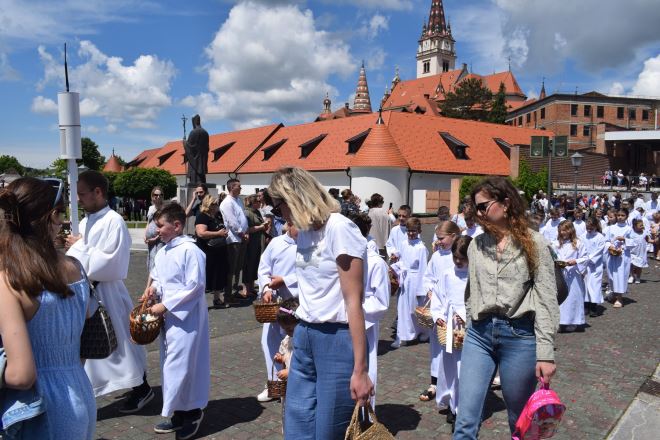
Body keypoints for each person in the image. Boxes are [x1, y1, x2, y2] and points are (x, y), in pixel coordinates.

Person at [267, 167, 372, 439]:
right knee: (297, 427)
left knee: (329, 431)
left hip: (336, 339)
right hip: (305, 333)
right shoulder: (304, 233)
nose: (280, 214)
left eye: (279, 206)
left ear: (295, 198)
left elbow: (353, 302)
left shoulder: (340, 228)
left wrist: (361, 370)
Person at [453, 176, 559, 439]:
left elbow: (546, 299)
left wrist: (545, 353)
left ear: (506, 203)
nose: (478, 213)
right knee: (465, 420)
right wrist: (470, 322)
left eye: (483, 206)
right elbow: (471, 292)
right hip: (479, 336)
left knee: (520, 421)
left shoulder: (534, 243)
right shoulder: (476, 245)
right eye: (475, 208)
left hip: (520, 337)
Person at [0, 177, 96, 439]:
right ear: (52, 216)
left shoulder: (10, 280)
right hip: (79, 389)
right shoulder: (75, 267)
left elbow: (21, 375)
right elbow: (85, 337)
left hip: (38, 408)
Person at [65, 170, 152, 412]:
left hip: (108, 293)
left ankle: (141, 388)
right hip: (87, 293)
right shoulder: (84, 221)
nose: (79, 199)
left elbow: (114, 264)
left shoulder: (114, 221)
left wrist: (79, 247)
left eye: (82, 194)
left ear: (98, 192)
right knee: (94, 349)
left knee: (121, 345)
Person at [144, 203, 209, 440]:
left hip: (187, 317)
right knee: (170, 364)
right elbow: (160, 278)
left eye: (161, 226)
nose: (157, 230)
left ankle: (193, 412)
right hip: (169, 317)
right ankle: (178, 412)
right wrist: (153, 289)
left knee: (184, 364)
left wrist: (166, 305)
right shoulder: (163, 251)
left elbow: (195, 285)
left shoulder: (191, 251)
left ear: (177, 225)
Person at [430, 235, 472, 427]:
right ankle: (450, 401)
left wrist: (464, 316)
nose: (458, 261)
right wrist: (438, 314)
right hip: (448, 327)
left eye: (462, 258)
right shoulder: (447, 274)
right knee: (449, 368)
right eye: (455, 257)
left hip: (467, 328)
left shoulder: (474, 276)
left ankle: (460, 409)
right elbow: (438, 296)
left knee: (463, 370)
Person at [256, 221, 299, 403]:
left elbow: (312, 272)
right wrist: (266, 288)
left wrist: (285, 280)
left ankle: (292, 386)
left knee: (293, 344)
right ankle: (274, 385)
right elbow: (264, 269)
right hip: (275, 303)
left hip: (296, 304)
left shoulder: (310, 245)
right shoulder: (276, 243)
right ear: (289, 224)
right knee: (270, 343)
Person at [351, 212, 390, 407]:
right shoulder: (345, 257)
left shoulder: (376, 262)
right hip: (341, 319)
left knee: (365, 364)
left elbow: (382, 301)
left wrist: (356, 310)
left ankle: (365, 411)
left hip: (365, 320)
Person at [421, 221, 460, 404]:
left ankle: (454, 388)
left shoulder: (459, 255)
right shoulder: (437, 256)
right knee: (437, 347)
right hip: (438, 307)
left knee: (454, 349)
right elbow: (428, 277)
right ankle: (434, 383)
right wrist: (430, 289)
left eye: (441, 238)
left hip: (455, 309)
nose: (438, 241)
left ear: (453, 236)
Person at [390, 217, 428, 349]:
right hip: (404, 279)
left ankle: (423, 331)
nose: (411, 233)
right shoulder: (404, 243)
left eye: (414, 231)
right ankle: (401, 336)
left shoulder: (421, 248)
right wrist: (395, 256)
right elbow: (401, 255)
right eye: (409, 231)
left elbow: (423, 269)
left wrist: (421, 290)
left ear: (419, 231)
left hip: (415, 281)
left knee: (414, 310)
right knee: (402, 309)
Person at [553, 221, 587, 333]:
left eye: (565, 230)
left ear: (570, 230)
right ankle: (560, 321)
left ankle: (573, 321)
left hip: (573, 275)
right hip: (560, 273)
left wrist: (576, 261)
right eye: (561, 230)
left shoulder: (578, 243)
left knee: (572, 297)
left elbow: (585, 257)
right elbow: (553, 255)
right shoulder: (556, 243)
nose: (562, 233)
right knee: (560, 296)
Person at [195, 195, 229, 308]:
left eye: (216, 204)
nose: (216, 206)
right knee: (206, 276)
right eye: (213, 204)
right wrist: (218, 233)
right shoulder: (202, 216)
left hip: (219, 250)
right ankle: (199, 302)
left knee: (218, 274)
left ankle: (217, 299)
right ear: (208, 204)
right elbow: (201, 233)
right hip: (207, 251)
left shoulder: (217, 216)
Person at [273, 297, 300, 432]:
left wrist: (290, 372)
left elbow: (306, 364)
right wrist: (282, 358)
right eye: (284, 329)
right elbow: (289, 355)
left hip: (299, 386)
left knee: (297, 413)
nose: (287, 332)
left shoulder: (302, 341)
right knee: (288, 411)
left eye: (290, 329)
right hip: (288, 388)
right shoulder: (288, 339)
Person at [220, 179, 249, 301]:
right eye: (239, 186)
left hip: (242, 237)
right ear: (232, 188)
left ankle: (235, 290)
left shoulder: (238, 200)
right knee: (232, 267)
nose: (241, 188)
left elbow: (242, 217)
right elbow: (232, 221)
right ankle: (228, 294)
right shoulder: (227, 202)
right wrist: (241, 233)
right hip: (233, 238)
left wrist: (246, 231)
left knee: (238, 267)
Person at [604, 208, 634, 308]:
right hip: (612, 255)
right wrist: (610, 246)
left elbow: (634, 242)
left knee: (620, 276)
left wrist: (625, 239)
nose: (620, 217)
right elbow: (606, 240)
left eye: (623, 215)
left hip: (623, 256)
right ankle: (614, 292)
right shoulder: (611, 228)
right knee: (611, 276)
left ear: (627, 217)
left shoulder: (629, 229)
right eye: (618, 215)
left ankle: (619, 298)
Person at [243, 194, 270, 295]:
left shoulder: (257, 212)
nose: (260, 203)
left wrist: (265, 226)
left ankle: (251, 287)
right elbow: (247, 229)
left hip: (259, 241)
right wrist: (261, 227)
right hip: (251, 242)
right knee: (249, 263)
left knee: (255, 263)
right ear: (253, 203)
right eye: (258, 201)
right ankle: (246, 288)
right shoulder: (246, 213)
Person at [583, 217, 606, 317]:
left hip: (595, 266)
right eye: (587, 227)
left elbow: (599, 251)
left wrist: (589, 258)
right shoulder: (583, 236)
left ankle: (593, 307)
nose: (589, 229)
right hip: (585, 265)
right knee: (585, 286)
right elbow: (580, 248)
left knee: (594, 286)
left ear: (596, 226)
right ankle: (586, 305)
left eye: (591, 227)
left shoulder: (600, 237)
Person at [184, 114, 209, 185]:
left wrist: (184, 142)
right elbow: (207, 147)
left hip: (194, 159)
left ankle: (194, 182)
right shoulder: (205, 133)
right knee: (202, 176)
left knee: (194, 176)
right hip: (203, 158)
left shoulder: (193, 132)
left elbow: (189, 147)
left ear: (194, 122)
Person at [145, 186, 165, 273]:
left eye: (160, 195)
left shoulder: (164, 209)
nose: (158, 196)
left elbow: (164, 226)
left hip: (160, 240)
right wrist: (145, 235)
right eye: (156, 195)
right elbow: (148, 223)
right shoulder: (151, 208)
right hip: (150, 241)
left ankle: (153, 280)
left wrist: (155, 238)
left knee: (157, 262)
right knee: (151, 260)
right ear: (152, 196)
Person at [367, 193, 392, 258]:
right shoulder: (384, 212)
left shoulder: (369, 212)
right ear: (379, 203)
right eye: (382, 202)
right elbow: (391, 224)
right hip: (383, 244)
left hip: (370, 243)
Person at [629, 218, 651, 284]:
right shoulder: (631, 232)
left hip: (641, 253)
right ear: (635, 226)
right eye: (640, 225)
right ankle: (632, 276)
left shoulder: (644, 232)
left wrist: (655, 241)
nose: (642, 226)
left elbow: (648, 240)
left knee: (639, 266)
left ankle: (638, 277)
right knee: (631, 265)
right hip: (632, 252)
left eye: (642, 225)